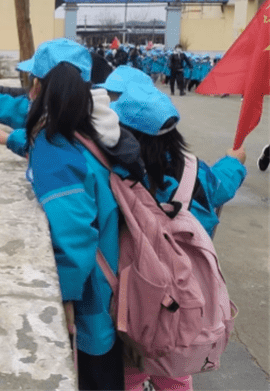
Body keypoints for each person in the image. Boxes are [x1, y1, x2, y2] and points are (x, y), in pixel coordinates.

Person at [0, 38, 143, 390]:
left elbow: (75, 238)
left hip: (90, 306)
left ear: (38, 86)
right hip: (113, 280)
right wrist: (12, 141)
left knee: (93, 376)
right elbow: (57, 151)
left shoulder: (56, 149)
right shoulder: (93, 122)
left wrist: (57, 300)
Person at [102, 79, 247, 391]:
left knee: (130, 367)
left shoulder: (115, 177)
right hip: (184, 295)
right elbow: (221, 186)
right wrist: (235, 163)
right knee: (176, 371)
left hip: (133, 298)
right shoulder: (194, 172)